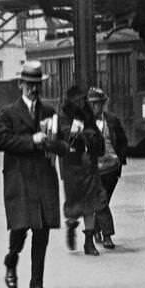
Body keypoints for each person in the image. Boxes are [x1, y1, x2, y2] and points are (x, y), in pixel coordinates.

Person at [0, 63, 67, 288]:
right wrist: (32, 141)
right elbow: (1, 142)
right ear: (20, 85)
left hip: (44, 176)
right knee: (20, 226)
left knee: (42, 230)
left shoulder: (49, 111)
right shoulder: (8, 113)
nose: (34, 89)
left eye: (37, 85)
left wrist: (51, 143)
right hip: (20, 177)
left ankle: (37, 283)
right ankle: (11, 259)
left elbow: (64, 145)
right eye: (30, 85)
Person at [57, 84, 105, 256]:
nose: (80, 102)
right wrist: (84, 135)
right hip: (72, 165)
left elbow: (95, 133)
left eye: (81, 99)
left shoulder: (87, 113)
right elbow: (65, 135)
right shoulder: (63, 114)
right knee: (74, 203)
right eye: (77, 100)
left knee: (90, 204)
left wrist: (90, 137)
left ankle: (88, 242)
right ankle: (71, 225)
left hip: (88, 163)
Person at [88, 87, 128, 250]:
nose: (94, 107)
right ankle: (107, 235)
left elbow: (123, 140)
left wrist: (120, 159)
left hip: (111, 169)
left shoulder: (112, 120)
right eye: (91, 104)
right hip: (93, 169)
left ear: (103, 104)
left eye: (97, 104)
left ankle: (97, 228)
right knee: (102, 201)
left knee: (104, 201)